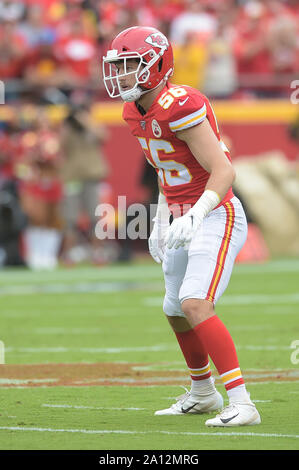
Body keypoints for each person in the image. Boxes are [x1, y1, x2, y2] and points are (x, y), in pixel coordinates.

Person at [102, 26, 261, 427]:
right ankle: (203, 392)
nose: (121, 75)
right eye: (118, 67)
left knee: (193, 302)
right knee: (174, 309)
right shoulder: (132, 110)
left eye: (130, 65)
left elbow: (224, 170)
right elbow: (164, 171)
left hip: (215, 212)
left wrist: (195, 212)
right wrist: (160, 218)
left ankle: (242, 402)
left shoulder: (180, 103)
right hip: (178, 214)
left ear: (157, 66)